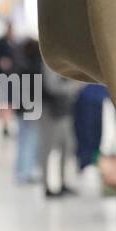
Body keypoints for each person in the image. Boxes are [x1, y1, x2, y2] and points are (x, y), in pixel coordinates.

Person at [38, 57, 80, 198]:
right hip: (50, 111)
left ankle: (62, 182)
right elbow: (52, 86)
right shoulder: (48, 60)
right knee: (47, 148)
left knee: (67, 146)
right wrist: (74, 86)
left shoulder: (63, 60)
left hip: (63, 110)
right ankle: (46, 186)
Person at [14, 38, 43, 183]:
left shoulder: (20, 66)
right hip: (32, 108)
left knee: (22, 140)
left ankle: (21, 171)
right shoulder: (36, 67)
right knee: (30, 140)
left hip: (21, 108)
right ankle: (26, 172)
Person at [0, 22, 19, 138]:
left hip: (13, 78)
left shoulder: (14, 43)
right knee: (3, 101)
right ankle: (4, 124)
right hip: (2, 77)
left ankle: (8, 123)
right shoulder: (1, 42)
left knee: (10, 102)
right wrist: (0, 60)